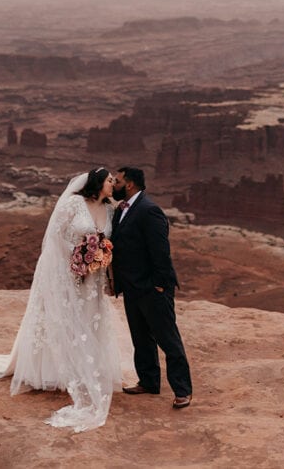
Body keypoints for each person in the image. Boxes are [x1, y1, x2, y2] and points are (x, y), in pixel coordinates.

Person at [0, 167, 123, 432]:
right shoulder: (74, 203)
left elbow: (109, 241)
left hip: (93, 279)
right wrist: (75, 259)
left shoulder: (111, 210)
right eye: (110, 180)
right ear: (98, 183)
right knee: (65, 319)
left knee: (89, 319)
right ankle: (54, 371)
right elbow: (55, 235)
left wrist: (97, 258)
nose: (114, 184)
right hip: (66, 272)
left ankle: (86, 367)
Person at [110, 166, 193, 409]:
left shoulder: (149, 210)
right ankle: (148, 381)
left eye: (118, 181)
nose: (114, 185)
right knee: (141, 338)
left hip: (151, 288)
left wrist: (159, 285)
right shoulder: (121, 210)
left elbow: (161, 252)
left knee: (168, 340)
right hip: (132, 288)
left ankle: (182, 390)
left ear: (131, 184)